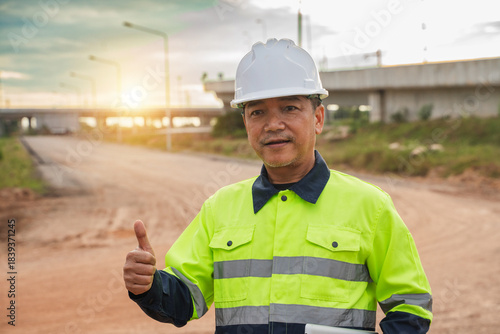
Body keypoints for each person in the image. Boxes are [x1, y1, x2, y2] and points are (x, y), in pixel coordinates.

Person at [123, 38, 432, 334]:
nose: (273, 124)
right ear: (246, 124)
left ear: (318, 119)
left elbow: (411, 305)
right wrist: (149, 285)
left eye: (289, 108)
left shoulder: (370, 206)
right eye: (257, 112)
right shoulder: (220, 209)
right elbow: (184, 300)